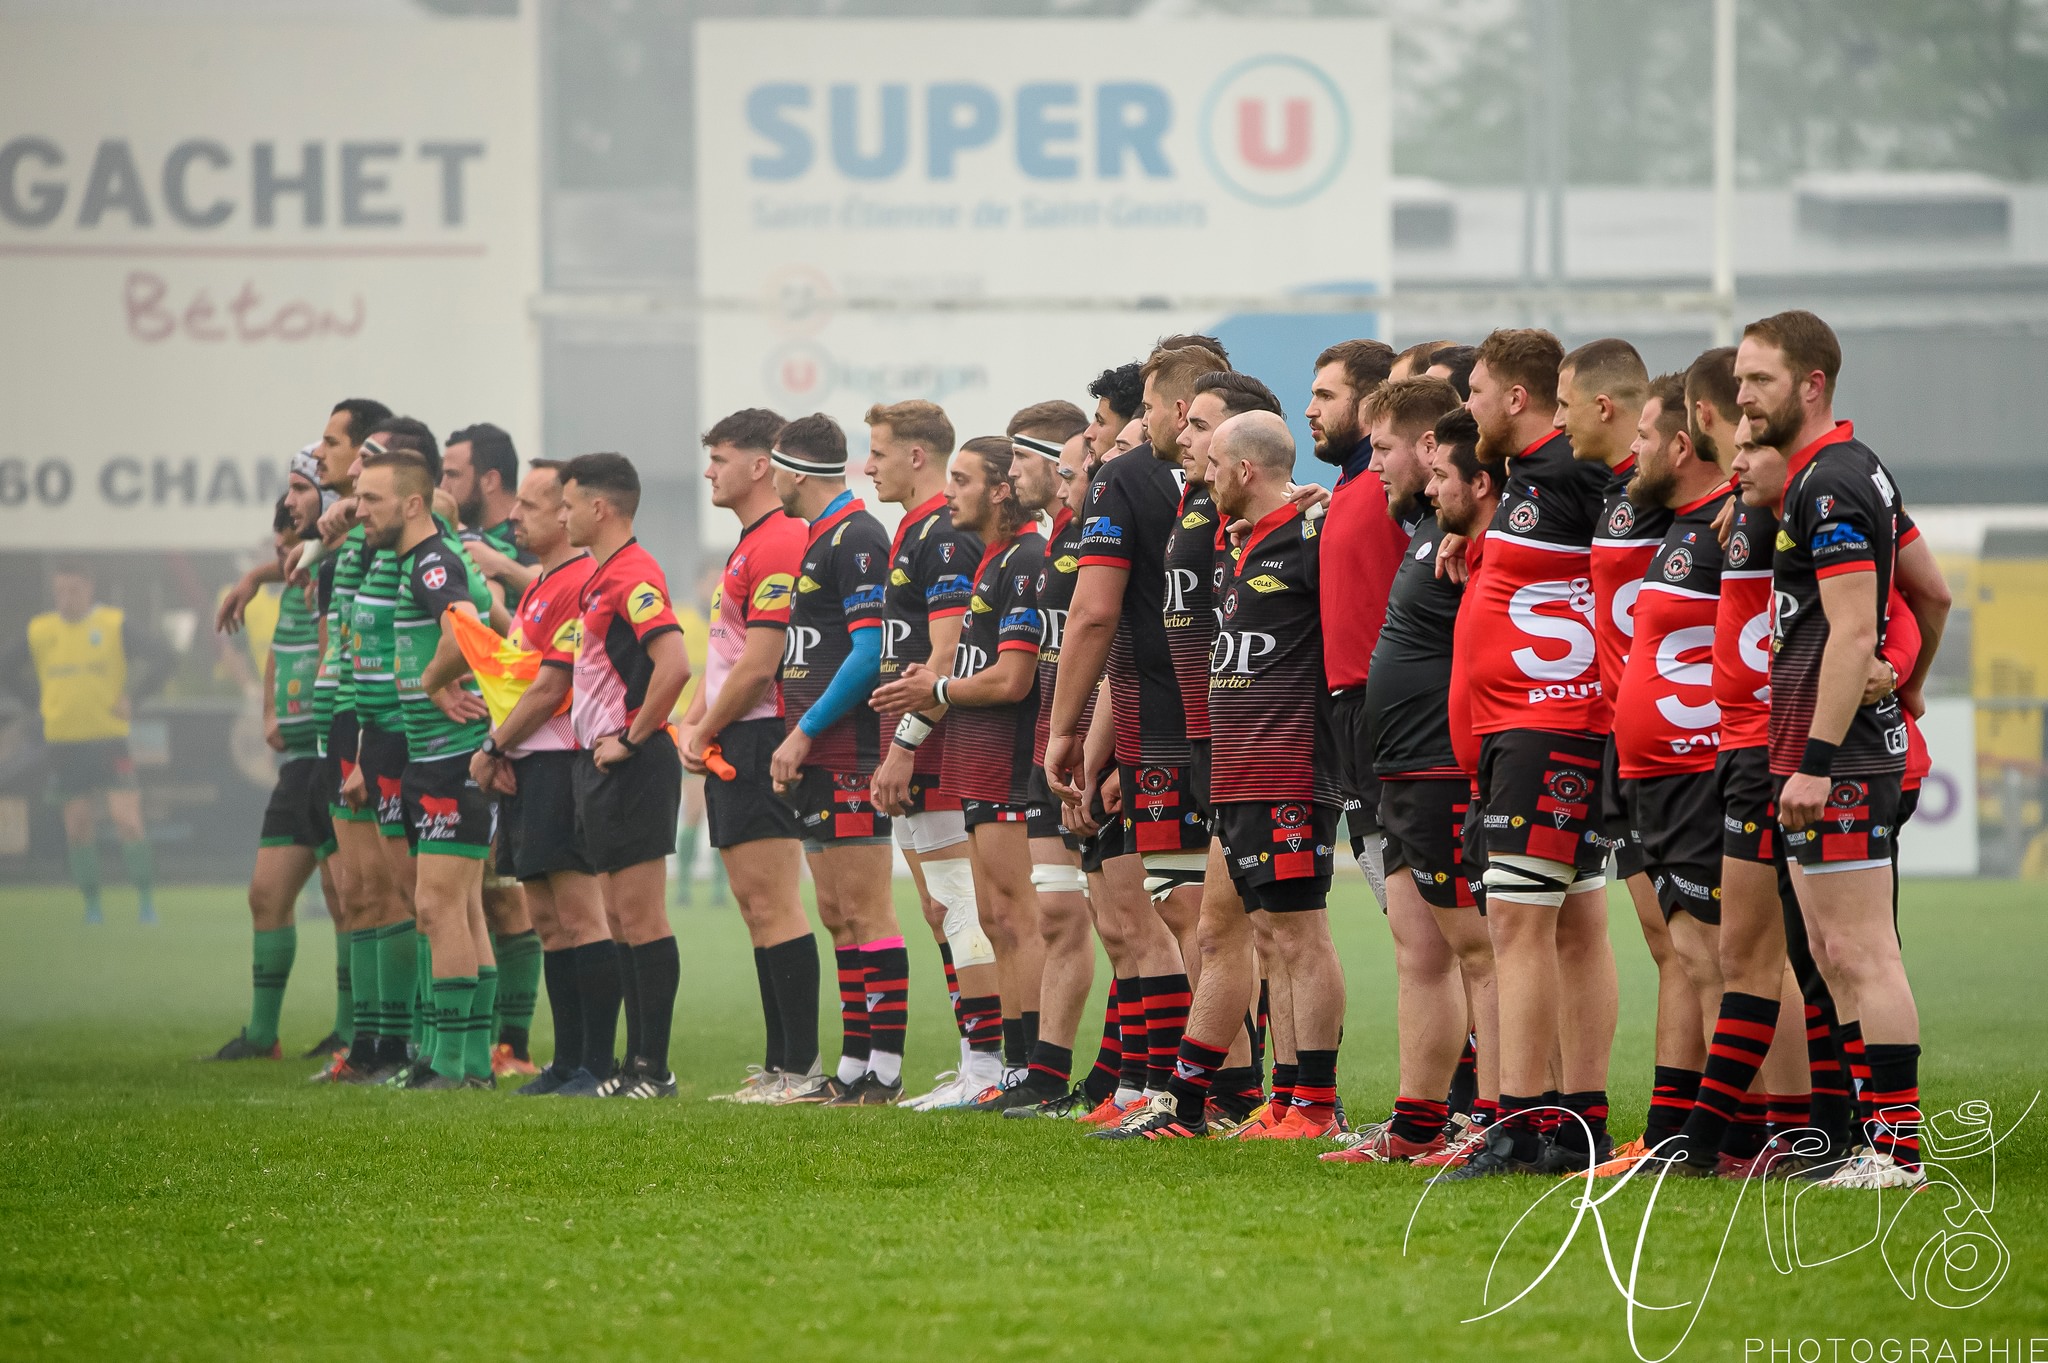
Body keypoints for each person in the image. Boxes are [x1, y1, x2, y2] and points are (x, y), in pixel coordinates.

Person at [1736, 309, 1939, 1189]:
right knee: (1828, 951)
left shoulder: (1829, 485)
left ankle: (1898, 1153)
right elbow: (1929, 592)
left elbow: (1855, 629)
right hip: (1826, 748)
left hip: (1841, 758)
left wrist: (1816, 761)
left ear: (1812, 384)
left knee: (1861, 953)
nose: (1744, 398)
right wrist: (1913, 676)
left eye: (1760, 380)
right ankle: (1874, 1144)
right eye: (1740, 380)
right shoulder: (1844, 471)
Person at [1438, 328, 1619, 1180]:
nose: (1464, 405)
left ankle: (1522, 1124)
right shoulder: (1530, 479)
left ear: (1516, 397)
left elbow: (1648, 521)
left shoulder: (1576, 468)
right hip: (1531, 729)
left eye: (1474, 389)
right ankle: (1574, 1120)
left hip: (1549, 726)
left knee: (1517, 921)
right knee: (1572, 923)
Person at [1324, 377, 1498, 1166]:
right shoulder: (1434, 525)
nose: (1378, 467)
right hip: (1402, 769)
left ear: (1430, 448)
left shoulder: (1476, 522)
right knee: (1419, 951)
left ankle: (1494, 1121)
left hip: (1442, 766)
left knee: (1478, 950)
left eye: (1384, 449)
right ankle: (1418, 1123)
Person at [1044, 347, 1205, 1112]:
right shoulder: (1208, 485)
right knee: (1161, 916)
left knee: (1184, 916)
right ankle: (1145, 1081)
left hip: (1175, 733)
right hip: (1186, 727)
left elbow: (1099, 621)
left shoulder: (1130, 481)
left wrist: (1067, 733)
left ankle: (1216, 1090)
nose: (1110, 438)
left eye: (1120, 418)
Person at [1559, 339, 1703, 1172]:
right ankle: (1680, 1125)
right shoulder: (1609, 492)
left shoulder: (1674, 499)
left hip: (1683, 747)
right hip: (1626, 740)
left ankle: (1692, 1123)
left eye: (1570, 400)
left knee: (1686, 940)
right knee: (1666, 937)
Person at [874, 436, 1050, 1108]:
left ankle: (1031, 1069)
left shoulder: (1024, 557)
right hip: (976, 761)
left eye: (964, 478)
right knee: (995, 917)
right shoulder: (998, 560)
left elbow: (1001, 677)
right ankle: (1009, 1070)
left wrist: (918, 723)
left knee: (1012, 917)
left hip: (1002, 763)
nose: (951, 491)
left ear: (1001, 489)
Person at [1605, 372, 1741, 1174]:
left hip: (1702, 770)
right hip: (1653, 772)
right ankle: (1682, 1133)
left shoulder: (1736, 524)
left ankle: (1764, 1135)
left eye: (1647, 439)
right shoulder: (1676, 523)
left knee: (1734, 961)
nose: (1633, 454)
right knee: (1693, 955)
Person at [1200, 410, 1348, 1140]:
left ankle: (1317, 1103)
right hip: (1241, 770)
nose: (1204, 477)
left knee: (1301, 936)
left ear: (1246, 470)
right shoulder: (1240, 544)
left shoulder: (1310, 537)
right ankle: (1288, 1098)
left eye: (1214, 463)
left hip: (1290, 765)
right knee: (1268, 936)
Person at [680, 409, 822, 1104]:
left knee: (774, 900)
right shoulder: (749, 544)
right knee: (753, 901)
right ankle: (780, 1065)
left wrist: (702, 723)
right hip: (737, 733)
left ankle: (801, 1069)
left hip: (760, 732)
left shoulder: (779, 541)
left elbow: (761, 663)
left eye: (720, 457)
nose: (709, 470)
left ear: (760, 464)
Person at [466, 459, 618, 1097]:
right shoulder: (541, 586)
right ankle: (566, 1061)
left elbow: (550, 688)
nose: (512, 517)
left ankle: (598, 1065)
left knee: (582, 917)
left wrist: (492, 744)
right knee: (548, 922)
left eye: (527, 506)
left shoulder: (577, 583)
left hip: (562, 762)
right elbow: (517, 674)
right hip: (528, 767)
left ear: (565, 513)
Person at [859, 400, 996, 1109]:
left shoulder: (943, 535)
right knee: (939, 907)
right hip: (911, 746)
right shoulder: (914, 531)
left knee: (958, 904)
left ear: (917, 456)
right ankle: (976, 1058)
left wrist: (905, 748)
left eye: (877, 452)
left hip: (938, 748)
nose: (867, 465)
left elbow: (946, 657)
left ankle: (987, 1064)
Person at [764, 415, 901, 1106]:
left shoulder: (858, 535)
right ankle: (852, 1063)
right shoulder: (821, 536)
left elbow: (870, 649)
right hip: (818, 751)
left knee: (868, 907)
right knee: (836, 909)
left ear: (793, 472)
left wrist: (805, 729)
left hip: (848, 749)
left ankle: (886, 1066)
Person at [353, 445, 498, 1090]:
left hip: (450, 760)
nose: (361, 510)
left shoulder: (432, 562)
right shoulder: (414, 558)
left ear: (412, 504)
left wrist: (437, 679)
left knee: (438, 905)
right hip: (435, 757)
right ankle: (468, 1066)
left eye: (371, 500)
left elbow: (465, 621)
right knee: (458, 909)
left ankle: (453, 1064)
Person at [561, 452, 692, 1099]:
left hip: (633, 762)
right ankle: (631, 1064)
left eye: (567, 504)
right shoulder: (601, 575)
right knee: (616, 915)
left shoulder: (634, 574)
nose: (561, 516)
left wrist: (635, 738)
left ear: (599, 507)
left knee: (640, 915)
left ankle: (654, 1067)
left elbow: (674, 664)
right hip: (601, 761)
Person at [208, 466, 337, 1058]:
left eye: (291, 543)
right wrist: (267, 716)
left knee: (352, 901)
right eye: (278, 545)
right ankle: (262, 1034)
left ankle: (360, 1031)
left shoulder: (335, 573)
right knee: (266, 894)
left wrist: (256, 574)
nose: (285, 554)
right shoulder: (294, 586)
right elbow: (275, 657)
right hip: (297, 763)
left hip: (338, 755)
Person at [439, 422, 544, 1079]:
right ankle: (461, 1043)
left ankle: (514, 1043)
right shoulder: (450, 545)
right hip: (469, 734)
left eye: (452, 474)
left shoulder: (515, 543)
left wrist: (503, 570)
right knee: (466, 898)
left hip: (515, 732)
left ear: (488, 480)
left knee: (509, 898)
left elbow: (559, 605)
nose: (442, 485)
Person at [5, 560, 172, 925]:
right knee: (78, 825)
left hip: (109, 739)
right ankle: (93, 906)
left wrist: (135, 697)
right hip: (64, 742)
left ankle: (146, 902)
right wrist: (38, 701)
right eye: (60, 591)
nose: (67, 599)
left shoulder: (113, 624)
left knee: (127, 819)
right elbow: (6, 667)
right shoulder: (41, 630)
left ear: (89, 589)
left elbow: (163, 656)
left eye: (74, 590)